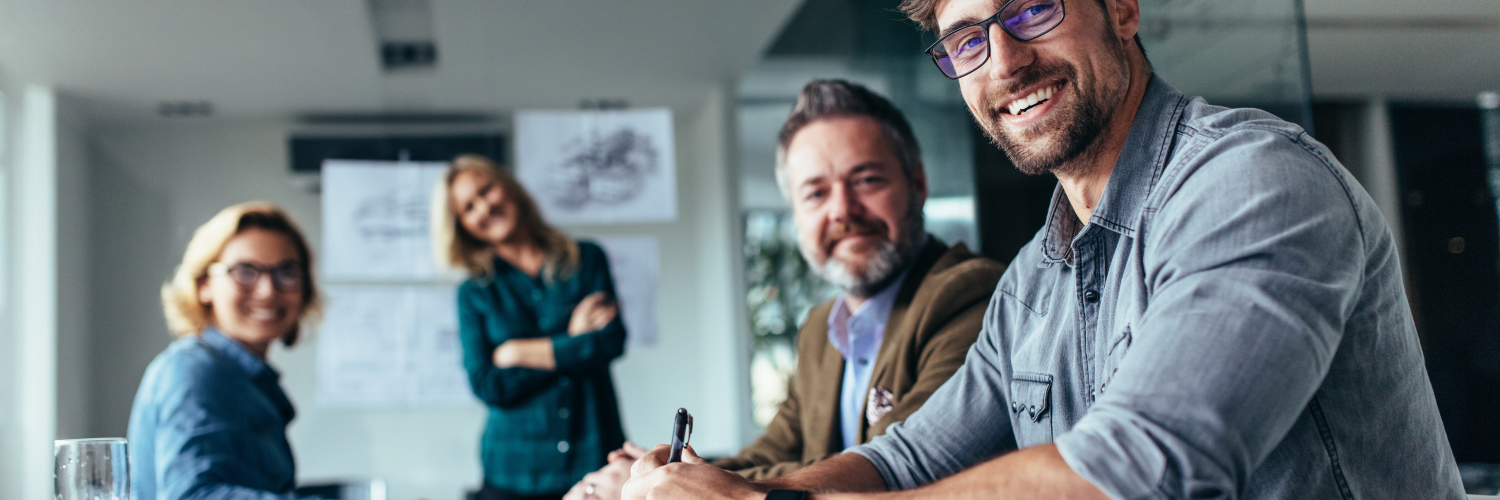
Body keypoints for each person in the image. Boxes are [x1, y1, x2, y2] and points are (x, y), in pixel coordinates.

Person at [624, 0, 1466, 498]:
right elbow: (909, 458)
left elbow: (1144, 470)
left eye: (1034, 9)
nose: (1006, 61)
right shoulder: (1036, 279)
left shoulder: (1252, 181)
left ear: (1122, 8)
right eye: (968, 40)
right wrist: (724, 491)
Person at [562, 81, 1005, 500]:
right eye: (815, 193)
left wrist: (677, 486)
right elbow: (771, 453)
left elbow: (900, 464)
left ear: (918, 183)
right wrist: (659, 473)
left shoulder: (969, 295)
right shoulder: (821, 328)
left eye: (867, 180)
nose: (842, 210)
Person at [433, 154, 628, 500]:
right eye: (468, 208)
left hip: (594, 461)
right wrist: (572, 340)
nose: (484, 208)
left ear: (508, 187)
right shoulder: (474, 292)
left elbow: (610, 342)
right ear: (462, 226)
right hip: (513, 474)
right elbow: (488, 384)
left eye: (486, 190)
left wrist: (516, 353)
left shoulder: (587, 259)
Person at [129, 202, 322, 500]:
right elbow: (192, 496)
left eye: (286, 272)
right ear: (203, 284)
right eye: (245, 271)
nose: (268, 290)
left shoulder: (246, 382)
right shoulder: (194, 372)